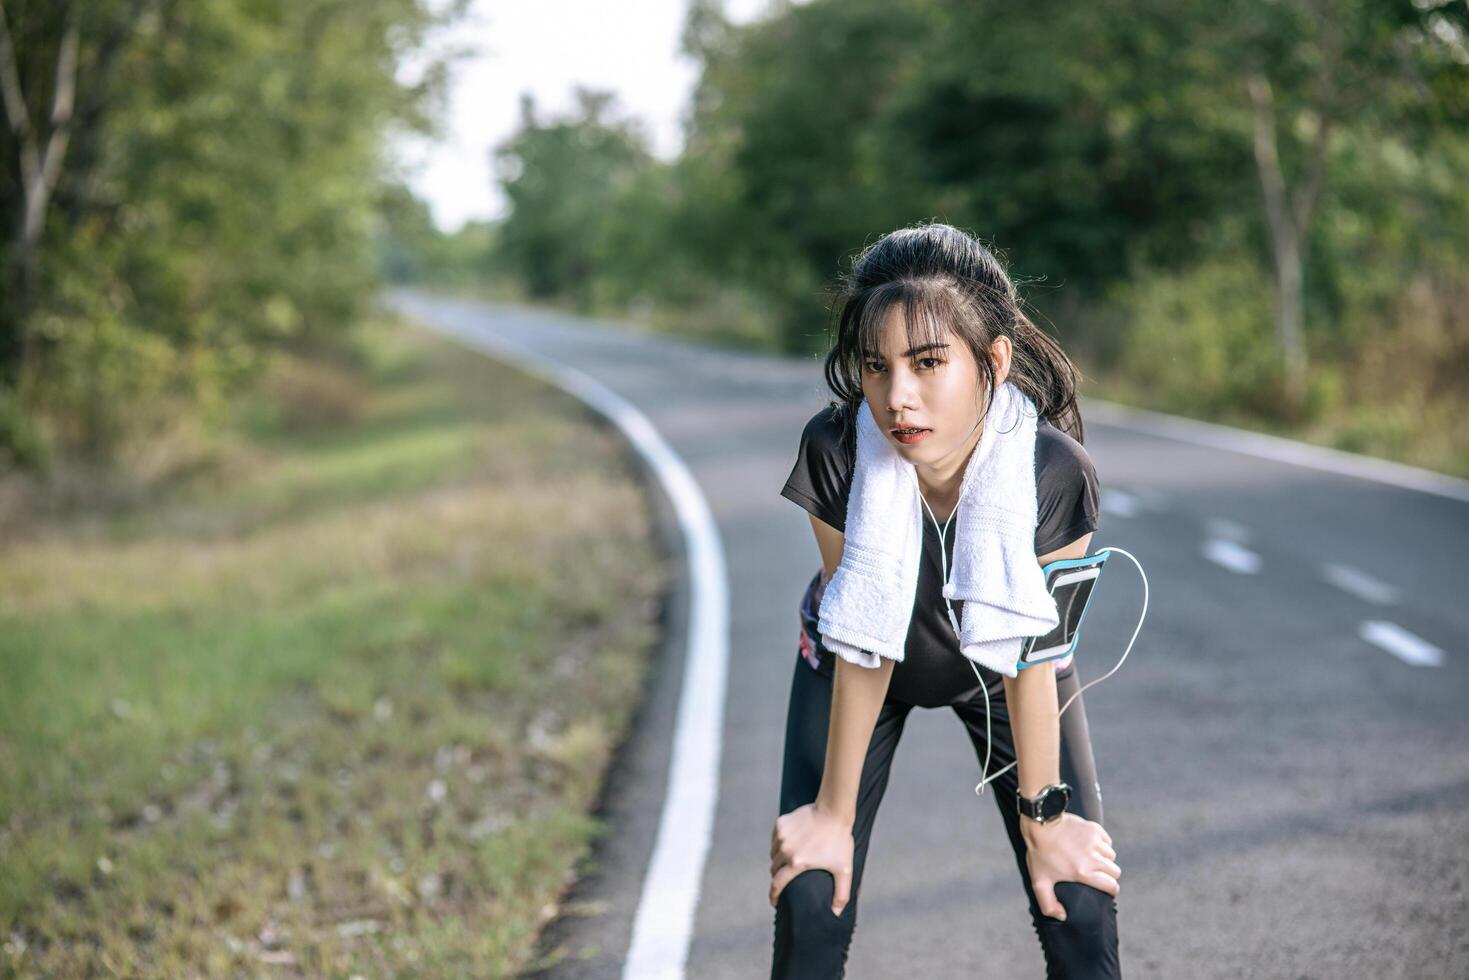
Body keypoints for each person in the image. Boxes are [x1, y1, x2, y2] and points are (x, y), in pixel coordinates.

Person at [769, 222, 1123, 978]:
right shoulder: (835, 450)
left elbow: (1035, 653)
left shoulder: (1053, 471)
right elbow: (859, 631)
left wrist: (1042, 819)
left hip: (1006, 674)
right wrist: (831, 818)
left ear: (991, 360)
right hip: (853, 667)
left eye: (929, 363)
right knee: (810, 892)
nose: (897, 398)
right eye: (877, 366)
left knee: (1075, 894)